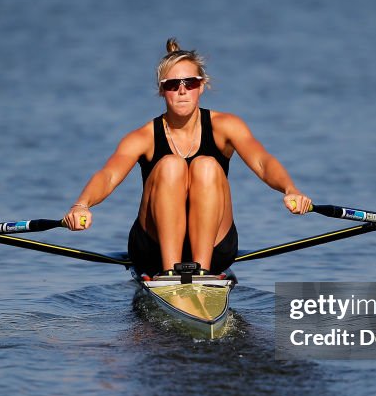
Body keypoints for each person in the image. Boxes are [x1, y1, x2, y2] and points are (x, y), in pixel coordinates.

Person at [62, 38, 313, 276]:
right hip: (153, 249)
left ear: (201, 86)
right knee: (172, 165)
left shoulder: (227, 126)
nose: (182, 91)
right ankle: (172, 271)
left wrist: (290, 189)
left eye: (190, 83)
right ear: (162, 91)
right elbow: (108, 176)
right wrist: (81, 205)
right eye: (173, 85)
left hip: (215, 247)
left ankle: (200, 272)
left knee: (206, 165)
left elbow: (262, 162)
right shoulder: (143, 137)